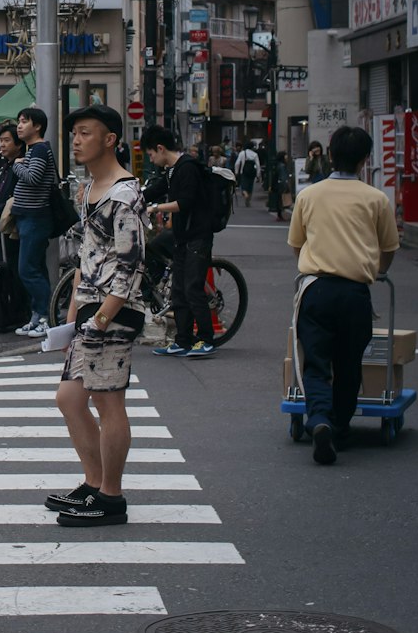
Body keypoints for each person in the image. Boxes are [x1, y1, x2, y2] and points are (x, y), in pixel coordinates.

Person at [49, 104, 148, 528]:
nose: (76, 139)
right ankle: (93, 484)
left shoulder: (125, 195)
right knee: (69, 399)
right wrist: (72, 319)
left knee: (110, 405)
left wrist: (102, 319)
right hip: (88, 309)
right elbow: (86, 261)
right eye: (74, 133)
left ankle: (111, 497)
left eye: (85, 132)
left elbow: (131, 266)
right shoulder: (87, 190)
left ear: (110, 139)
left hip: (113, 312)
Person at [288, 124, 399, 463]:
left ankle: (319, 418)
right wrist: (377, 270)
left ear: (331, 155)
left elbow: (296, 244)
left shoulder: (309, 195)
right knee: (349, 364)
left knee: (317, 362)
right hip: (355, 292)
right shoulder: (376, 199)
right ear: (365, 159)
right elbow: (389, 248)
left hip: (316, 288)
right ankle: (339, 427)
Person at [140, 124, 216, 358]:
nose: (152, 160)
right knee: (179, 291)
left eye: (151, 154)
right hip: (183, 237)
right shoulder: (172, 171)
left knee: (193, 288)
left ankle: (205, 340)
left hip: (198, 236)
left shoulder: (187, 168)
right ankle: (182, 340)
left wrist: (155, 208)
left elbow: (185, 202)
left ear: (161, 149)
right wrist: (133, 197)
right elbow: (155, 189)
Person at [10, 105, 59, 340]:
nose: (19, 125)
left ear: (37, 126)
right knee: (35, 268)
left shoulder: (38, 149)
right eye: (19, 121)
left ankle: (45, 317)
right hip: (29, 217)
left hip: (35, 217)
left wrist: (16, 165)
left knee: (27, 270)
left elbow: (33, 177)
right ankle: (37, 317)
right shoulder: (33, 150)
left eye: (24, 121)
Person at [0, 122, 24, 236]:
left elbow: (15, 196)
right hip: (3, 220)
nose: (2, 144)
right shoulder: (7, 166)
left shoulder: (20, 166)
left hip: (13, 222)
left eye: (7, 140)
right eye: (1, 140)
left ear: (19, 144)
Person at [234, 142, 261, 207]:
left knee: (243, 186)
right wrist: (258, 175)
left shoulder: (242, 153)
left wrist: (236, 172)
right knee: (250, 186)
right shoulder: (255, 154)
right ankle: (248, 201)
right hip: (252, 173)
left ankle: (245, 195)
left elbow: (237, 163)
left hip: (244, 172)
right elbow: (258, 165)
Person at [273, 151, 292, 221]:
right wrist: (286, 186)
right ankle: (281, 215)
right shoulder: (282, 166)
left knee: (280, 201)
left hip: (278, 185)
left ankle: (279, 215)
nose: (287, 157)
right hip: (281, 186)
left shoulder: (278, 165)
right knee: (283, 201)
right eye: (285, 156)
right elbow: (283, 177)